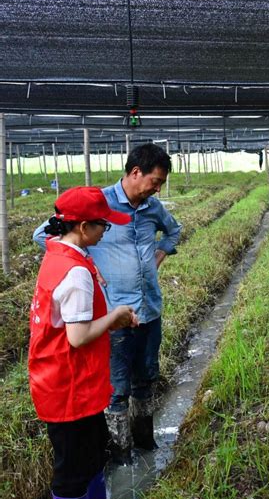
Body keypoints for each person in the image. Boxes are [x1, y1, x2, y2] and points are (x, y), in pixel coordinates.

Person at [34, 143, 182, 465]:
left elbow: (174, 230)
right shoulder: (96, 205)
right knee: (116, 389)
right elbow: (42, 235)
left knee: (146, 377)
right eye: (155, 181)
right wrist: (82, 259)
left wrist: (159, 254)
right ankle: (120, 455)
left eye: (160, 184)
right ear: (135, 172)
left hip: (149, 310)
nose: (157, 188)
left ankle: (145, 443)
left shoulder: (153, 208)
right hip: (113, 316)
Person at [29, 186, 138, 499]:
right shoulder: (74, 271)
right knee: (71, 469)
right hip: (67, 385)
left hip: (69, 379)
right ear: (83, 226)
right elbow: (77, 337)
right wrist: (116, 317)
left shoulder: (59, 253)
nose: (106, 232)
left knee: (92, 452)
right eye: (103, 226)